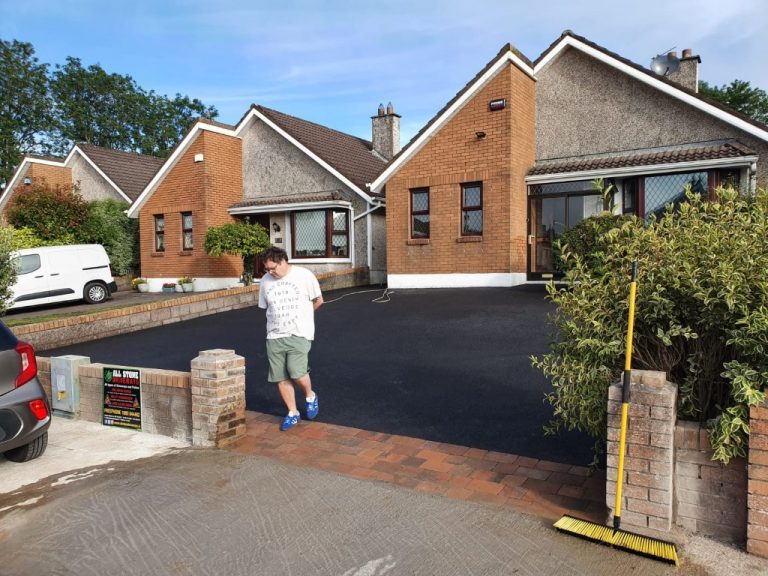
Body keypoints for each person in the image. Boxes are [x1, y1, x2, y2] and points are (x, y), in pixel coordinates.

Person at [258, 246, 324, 431]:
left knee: (297, 372)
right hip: (274, 335)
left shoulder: (304, 275)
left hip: (299, 332)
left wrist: (304, 317)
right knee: (280, 377)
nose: (270, 272)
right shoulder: (265, 281)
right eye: (267, 269)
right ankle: (292, 412)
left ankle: (310, 396)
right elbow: (266, 307)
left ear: (283, 261)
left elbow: (318, 300)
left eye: (273, 268)